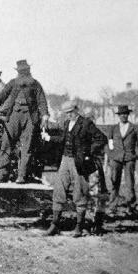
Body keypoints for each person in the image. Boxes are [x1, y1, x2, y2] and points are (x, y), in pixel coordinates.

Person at [44, 101, 107, 237]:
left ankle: (79, 227)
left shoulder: (86, 123)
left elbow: (102, 138)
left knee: (79, 193)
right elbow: (62, 139)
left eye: (71, 112)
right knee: (59, 190)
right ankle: (54, 225)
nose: (69, 115)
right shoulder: (67, 124)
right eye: (67, 113)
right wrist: (49, 138)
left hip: (79, 163)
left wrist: (87, 153)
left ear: (76, 110)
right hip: (65, 161)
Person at [0, 59, 50, 183]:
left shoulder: (35, 84)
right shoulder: (13, 83)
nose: (23, 73)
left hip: (30, 118)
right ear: (18, 72)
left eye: (25, 71)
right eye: (21, 71)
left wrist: (44, 115)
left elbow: (42, 101)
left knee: (26, 147)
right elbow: (2, 96)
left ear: (29, 71)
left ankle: (22, 176)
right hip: (13, 116)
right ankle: (2, 173)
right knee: (6, 143)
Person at [107, 105, 138, 215]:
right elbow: (109, 143)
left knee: (130, 183)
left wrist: (135, 155)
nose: (123, 116)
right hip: (116, 159)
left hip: (129, 158)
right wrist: (111, 154)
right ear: (118, 116)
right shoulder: (113, 128)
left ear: (128, 115)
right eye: (121, 114)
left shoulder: (135, 128)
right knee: (114, 182)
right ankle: (112, 206)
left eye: (125, 114)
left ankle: (131, 206)